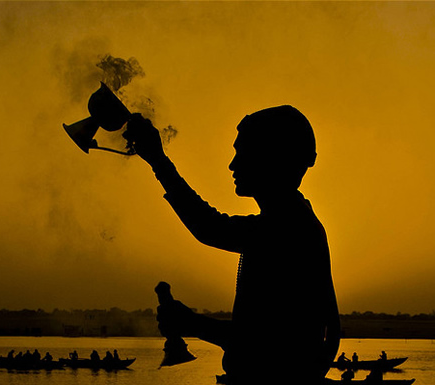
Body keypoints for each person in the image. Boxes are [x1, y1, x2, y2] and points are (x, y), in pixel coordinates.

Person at [124, 105, 341, 384]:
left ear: (271, 159)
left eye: (243, 153)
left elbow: (272, 343)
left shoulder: (288, 229)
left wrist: (192, 324)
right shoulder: (295, 225)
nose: (233, 164)